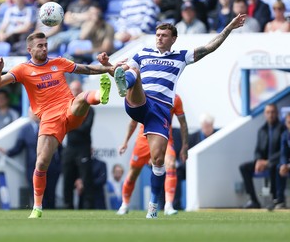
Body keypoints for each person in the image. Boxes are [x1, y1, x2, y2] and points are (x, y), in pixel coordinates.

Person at [98, 13, 246, 218]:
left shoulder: (181, 56)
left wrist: (229, 27)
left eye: (164, 35)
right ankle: (126, 85)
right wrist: (108, 66)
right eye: (158, 34)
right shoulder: (142, 53)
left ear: (173, 39)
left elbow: (209, 47)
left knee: (158, 162)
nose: (159, 38)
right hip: (140, 102)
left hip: (160, 111)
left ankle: (153, 207)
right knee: (131, 71)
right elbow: (116, 71)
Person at [0, 31, 119, 218]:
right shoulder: (22, 69)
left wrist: (108, 68)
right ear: (30, 49)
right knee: (42, 162)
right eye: (40, 46)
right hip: (49, 118)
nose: (44, 48)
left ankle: (101, 95)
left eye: (45, 45)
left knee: (82, 98)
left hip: (68, 108)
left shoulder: (58, 62)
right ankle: (37, 207)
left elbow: (86, 69)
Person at [116, 94, 188, 216]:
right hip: (143, 140)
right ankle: (124, 204)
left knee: (170, 164)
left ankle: (168, 205)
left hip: (164, 138)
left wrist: (185, 146)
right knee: (133, 173)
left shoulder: (175, 99)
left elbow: (183, 123)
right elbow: (133, 122)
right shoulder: (145, 94)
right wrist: (125, 142)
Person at [0, 107, 61, 209]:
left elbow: (59, 146)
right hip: (32, 166)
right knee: (36, 192)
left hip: (51, 165)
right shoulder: (25, 130)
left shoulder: (50, 127)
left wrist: (59, 163)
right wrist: (7, 152)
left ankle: (52, 213)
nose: (34, 114)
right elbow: (19, 147)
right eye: (32, 112)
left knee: (50, 192)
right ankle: (39, 210)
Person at [239, 103, 286, 209]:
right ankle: (254, 200)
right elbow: (258, 150)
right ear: (265, 114)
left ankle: (276, 199)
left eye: (273, 112)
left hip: (276, 161)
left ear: (277, 113)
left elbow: (284, 151)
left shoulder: (283, 129)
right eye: (268, 112)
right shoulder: (262, 130)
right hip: (264, 162)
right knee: (244, 167)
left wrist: (268, 162)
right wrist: (258, 161)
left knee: (275, 166)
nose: (271, 115)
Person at [62, 80, 95, 209]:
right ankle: (67, 206)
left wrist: (71, 125)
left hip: (83, 148)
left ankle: (88, 208)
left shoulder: (89, 109)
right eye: (73, 90)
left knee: (86, 180)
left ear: (82, 91)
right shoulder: (66, 107)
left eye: (77, 90)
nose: (75, 92)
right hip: (69, 148)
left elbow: (85, 128)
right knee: (67, 179)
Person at [275, 112, 290, 209]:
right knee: (278, 167)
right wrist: (284, 165)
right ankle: (280, 200)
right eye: (289, 122)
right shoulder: (285, 135)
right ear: (286, 123)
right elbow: (283, 153)